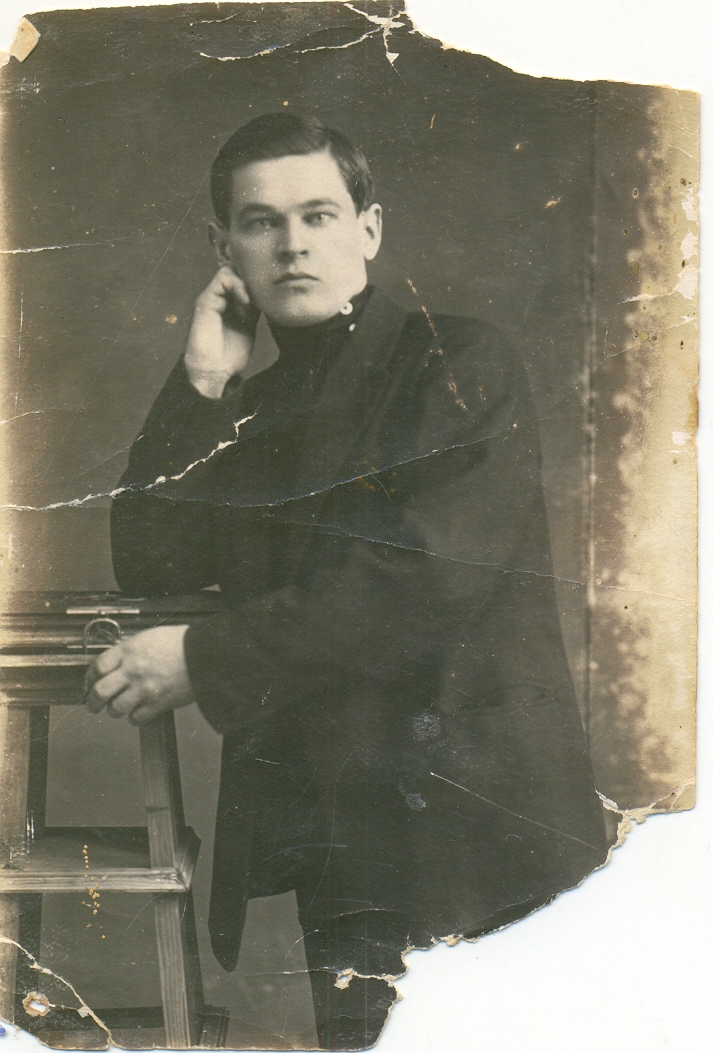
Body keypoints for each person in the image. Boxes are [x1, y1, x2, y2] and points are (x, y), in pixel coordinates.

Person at [85, 112, 609, 1050]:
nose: (291, 244)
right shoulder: (260, 407)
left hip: (476, 826)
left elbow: (421, 578)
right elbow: (152, 560)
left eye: (318, 215)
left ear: (367, 229)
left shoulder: (458, 361)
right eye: (261, 222)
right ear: (225, 249)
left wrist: (205, 657)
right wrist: (200, 385)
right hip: (342, 831)